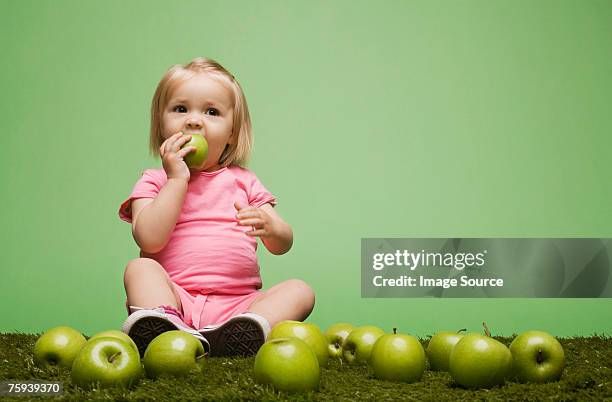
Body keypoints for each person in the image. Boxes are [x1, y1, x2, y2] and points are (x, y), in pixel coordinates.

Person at [118, 57, 315, 357]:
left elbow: (283, 243)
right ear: (161, 123)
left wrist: (271, 227)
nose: (194, 121)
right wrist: (177, 180)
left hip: (240, 304)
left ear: (232, 133)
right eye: (180, 109)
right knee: (139, 268)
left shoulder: (245, 182)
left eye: (211, 112)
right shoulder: (155, 181)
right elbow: (149, 239)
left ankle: (246, 329)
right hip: (175, 298)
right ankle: (165, 326)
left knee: (301, 291)